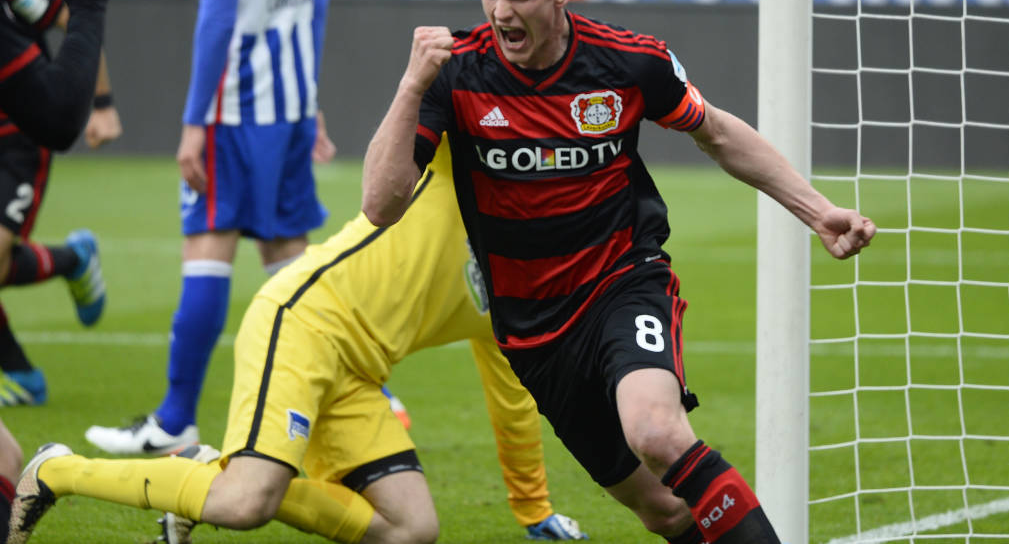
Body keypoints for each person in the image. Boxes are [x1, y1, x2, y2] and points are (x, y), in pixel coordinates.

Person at [358, 0, 877, 544]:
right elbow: (380, 206)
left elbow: (715, 132)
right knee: (664, 511)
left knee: (657, 431)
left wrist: (816, 209)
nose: (500, 12)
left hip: (620, 283)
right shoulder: (455, 74)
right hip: (531, 330)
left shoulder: (629, 63)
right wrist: (413, 83)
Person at [7, 137, 588, 544]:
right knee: (243, 504)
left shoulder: (513, 292)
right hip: (301, 321)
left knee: (412, 530)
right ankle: (57, 472)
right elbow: (467, 86)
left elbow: (511, 398)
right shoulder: (450, 168)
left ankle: (203, 472)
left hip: (357, 377)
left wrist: (534, 510)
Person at [85, 0, 332, 457]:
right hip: (286, 102)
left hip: (237, 106)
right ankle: (353, 396)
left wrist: (194, 122)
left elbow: (218, 16)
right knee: (288, 255)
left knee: (208, 251)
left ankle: (173, 421)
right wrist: (310, 98)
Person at [0, 0, 112, 541]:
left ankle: (21, 369)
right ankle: (71, 261)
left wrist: (101, 102)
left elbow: (64, 19)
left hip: (14, 137)